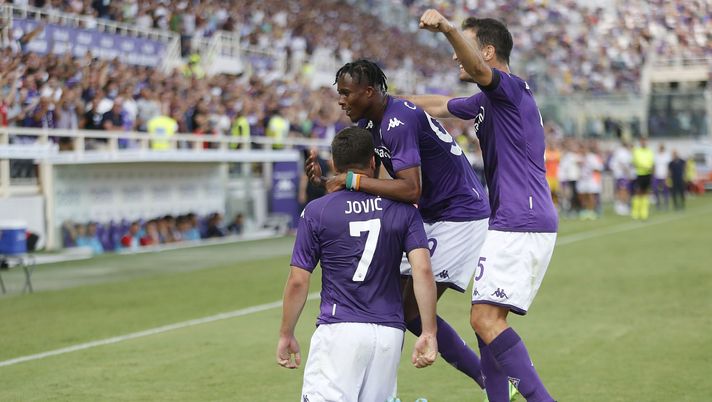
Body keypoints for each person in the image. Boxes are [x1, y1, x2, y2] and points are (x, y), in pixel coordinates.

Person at [306, 59, 491, 391]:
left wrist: (348, 180)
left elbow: (409, 188)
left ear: (369, 91)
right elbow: (369, 180)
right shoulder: (372, 123)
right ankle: (378, 389)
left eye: (346, 93)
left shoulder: (397, 120)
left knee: (408, 310)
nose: (341, 100)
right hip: (434, 212)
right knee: (390, 301)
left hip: (460, 215)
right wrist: (331, 183)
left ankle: (488, 379)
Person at [407, 11, 559, 401]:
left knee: (485, 318)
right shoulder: (487, 100)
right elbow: (440, 105)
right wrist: (390, 102)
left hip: (520, 219)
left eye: (467, 50)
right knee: (483, 322)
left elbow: (475, 68)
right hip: (512, 219)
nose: (457, 59)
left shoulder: (507, 88)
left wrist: (448, 30)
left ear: (487, 51)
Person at [278, 127, 438, 402]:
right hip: (389, 334)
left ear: (334, 165)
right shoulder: (403, 210)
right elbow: (422, 270)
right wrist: (428, 331)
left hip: (340, 329)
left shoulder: (318, 211)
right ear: (374, 162)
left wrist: (286, 333)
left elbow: (298, 280)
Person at [631, 137, 654, 220]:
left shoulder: (649, 151)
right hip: (640, 174)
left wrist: (649, 168)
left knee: (646, 193)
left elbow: (651, 162)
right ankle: (635, 212)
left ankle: (644, 213)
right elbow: (636, 162)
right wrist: (646, 167)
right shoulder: (637, 151)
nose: (643, 142)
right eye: (642, 141)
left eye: (645, 141)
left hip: (647, 174)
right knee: (638, 192)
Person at [653, 143, 671, 210]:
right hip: (657, 175)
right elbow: (654, 166)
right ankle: (657, 203)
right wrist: (654, 175)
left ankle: (666, 204)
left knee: (665, 190)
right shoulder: (656, 155)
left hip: (664, 175)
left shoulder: (666, 155)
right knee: (655, 190)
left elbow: (668, 167)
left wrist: (668, 176)